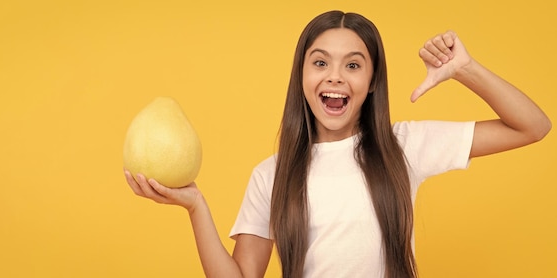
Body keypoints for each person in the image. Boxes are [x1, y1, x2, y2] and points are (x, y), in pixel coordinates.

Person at [123, 10, 551, 278]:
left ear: (370, 83)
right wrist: (196, 205)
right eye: (321, 62)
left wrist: (465, 69)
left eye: (353, 65)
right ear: (303, 78)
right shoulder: (270, 175)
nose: (335, 76)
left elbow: (532, 126)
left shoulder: (403, 146)